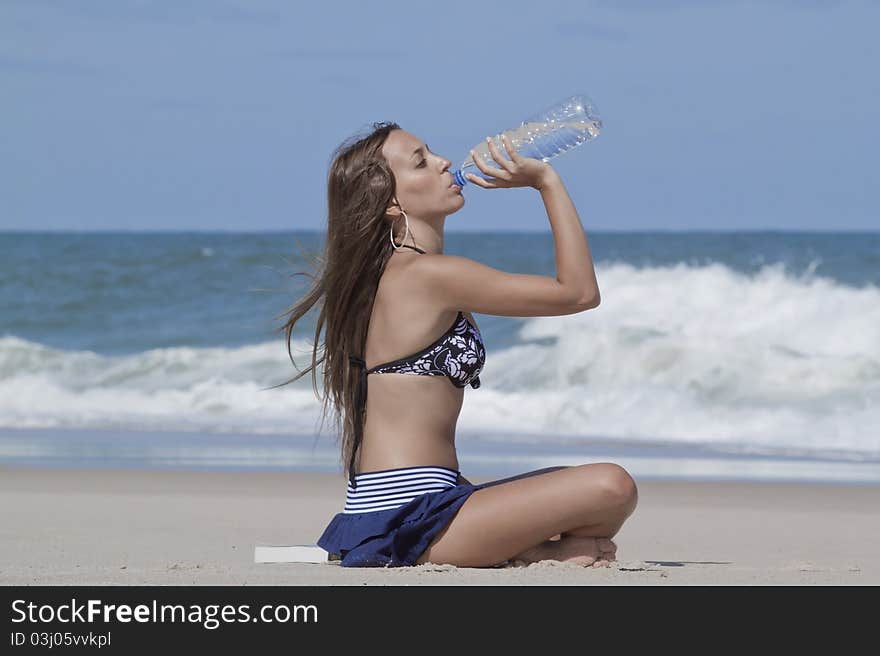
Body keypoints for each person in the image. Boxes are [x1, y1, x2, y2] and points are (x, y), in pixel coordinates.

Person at [276, 121, 637, 568]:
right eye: (421, 161)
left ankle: (531, 552)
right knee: (611, 485)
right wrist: (545, 181)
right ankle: (534, 552)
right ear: (390, 202)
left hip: (434, 502)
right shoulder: (425, 276)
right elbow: (579, 293)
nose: (445, 162)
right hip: (406, 519)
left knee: (605, 494)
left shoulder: (401, 274)